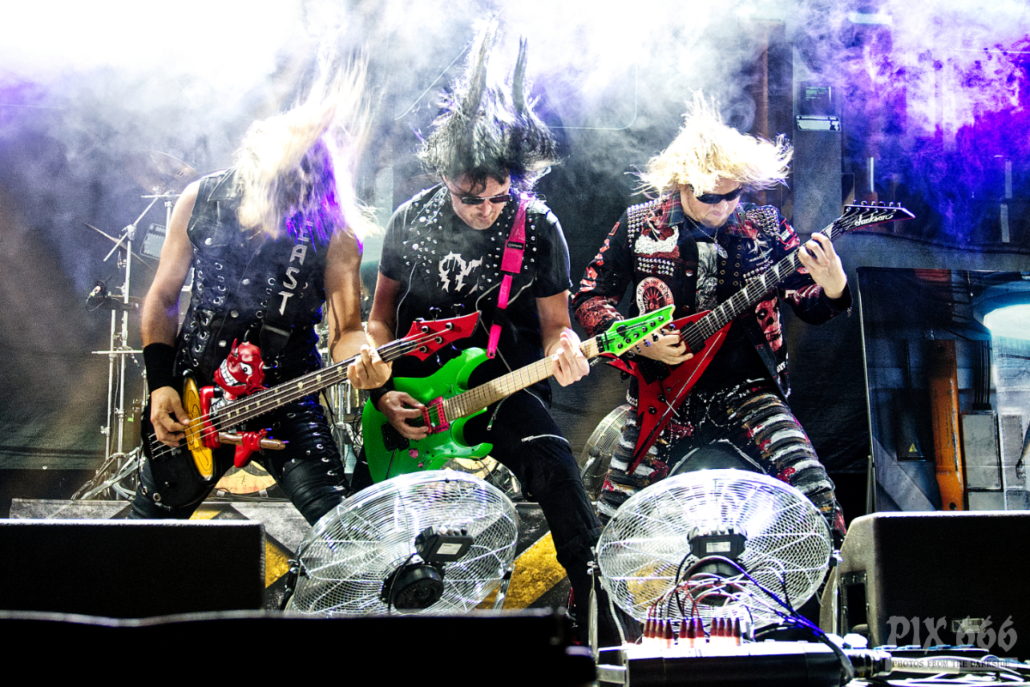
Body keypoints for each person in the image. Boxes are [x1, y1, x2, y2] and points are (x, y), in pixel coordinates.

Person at [360, 27, 607, 636]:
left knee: (557, 468)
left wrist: (565, 348)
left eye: (499, 197)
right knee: (363, 515)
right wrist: (381, 391)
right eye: (471, 197)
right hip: (413, 396)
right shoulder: (410, 219)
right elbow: (379, 318)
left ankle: (596, 615)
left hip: (501, 387)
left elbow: (556, 327)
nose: (486, 209)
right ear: (446, 176)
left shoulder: (538, 226)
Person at [573, 95, 848, 536]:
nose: (721, 206)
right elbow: (590, 298)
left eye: (732, 194)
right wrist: (638, 342)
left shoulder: (767, 227)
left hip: (749, 390)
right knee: (613, 519)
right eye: (708, 196)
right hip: (663, 397)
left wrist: (833, 284)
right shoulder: (639, 225)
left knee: (816, 494)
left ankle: (833, 577)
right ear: (681, 184)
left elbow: (808, 304)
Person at [132, 65, 390, 525]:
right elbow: (163, 297)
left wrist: (365, 360)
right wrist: (160, 384)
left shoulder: (334, 230)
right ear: (256, 174)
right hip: (195, 397)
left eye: (302, 197)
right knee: (140, 536)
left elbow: (346, 330)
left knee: (340, 531)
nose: (289, 207)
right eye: (282, 191)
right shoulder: (200, 199)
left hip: (287, 396)